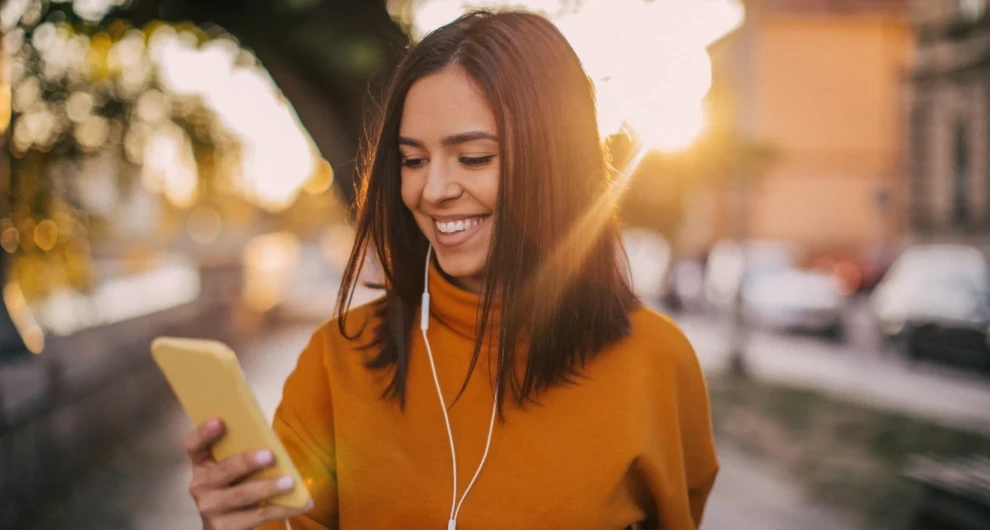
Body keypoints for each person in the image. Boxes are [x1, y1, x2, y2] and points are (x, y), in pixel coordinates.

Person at [182, 9, 718, 530]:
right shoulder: (337, 360)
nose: (433, 190)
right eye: (413, 160)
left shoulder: (658, 362)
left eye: (474, 157)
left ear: (557, 160)